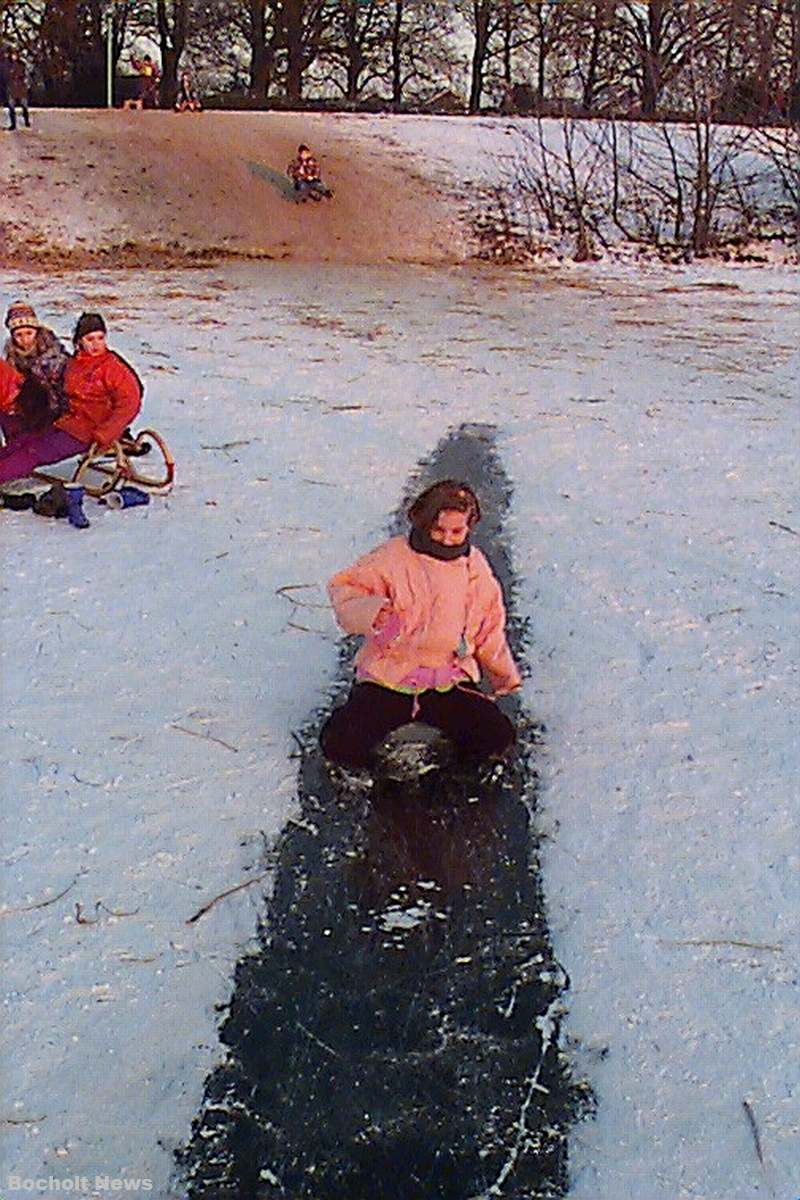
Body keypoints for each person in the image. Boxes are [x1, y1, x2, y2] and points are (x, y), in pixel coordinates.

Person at [321, 480, 521, 770]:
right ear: (424, 522)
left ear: (469, 528)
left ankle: (457, 775)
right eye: (439, 530)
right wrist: (372, 612)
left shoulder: (474, 567)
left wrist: (501, 674)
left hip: (447, 680)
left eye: (457, 531)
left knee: (496, 736)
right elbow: (346, 588)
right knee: (342, 741)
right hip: (390, 675)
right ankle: (367, 775)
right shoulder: (393, 557)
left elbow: (489, 624)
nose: (447, 539)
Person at [0, 312, 142, 485]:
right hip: (66, 422)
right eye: (90, 339)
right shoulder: (75, 364)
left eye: (100, 338)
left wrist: (106, 434)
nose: (96, 344)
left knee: (33, 452)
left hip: (89, 431)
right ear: (79, 341)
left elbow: (129, 404)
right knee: (22, 442)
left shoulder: (113, 368)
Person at [3, 302, 70, 432]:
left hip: (55, 410)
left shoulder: (54, 355)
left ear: (36, 332)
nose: (25, 339)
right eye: (19, 335)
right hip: (27, 410)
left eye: (29, 333)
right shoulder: (12, 358)